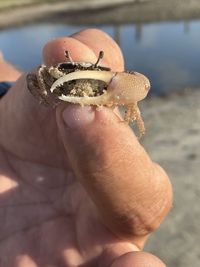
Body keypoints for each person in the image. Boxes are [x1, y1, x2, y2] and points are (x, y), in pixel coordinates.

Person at [0, 29, 172, 267]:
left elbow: (141, 87)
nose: (80, 75)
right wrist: (46, 96)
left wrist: (5, 94)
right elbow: (37, 77)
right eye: (70, 70)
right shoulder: (52, 75)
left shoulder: (111, 80)